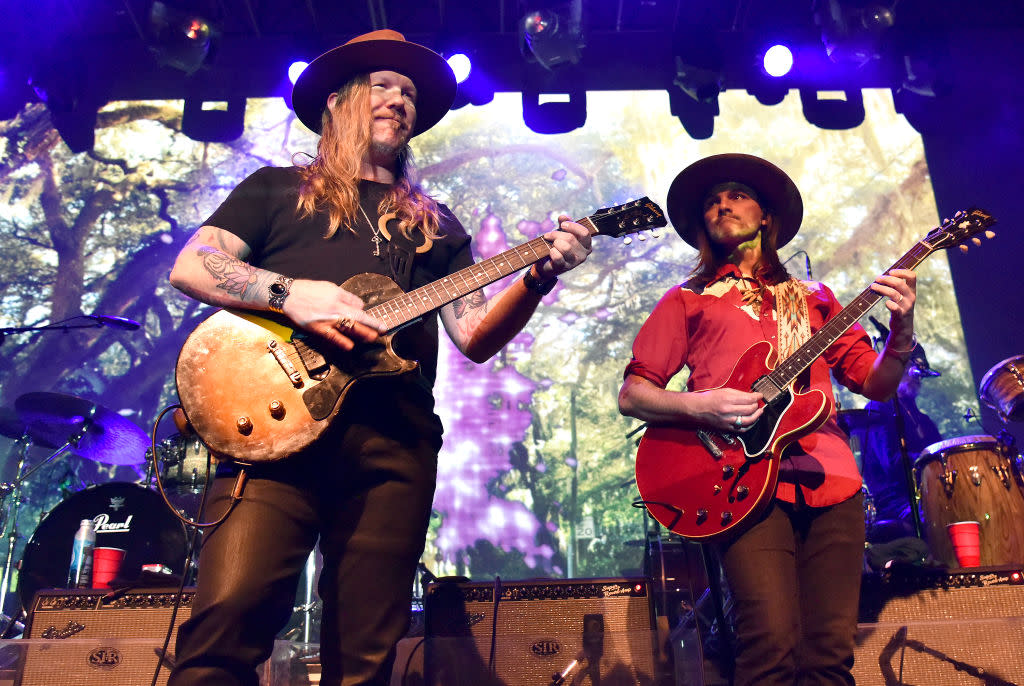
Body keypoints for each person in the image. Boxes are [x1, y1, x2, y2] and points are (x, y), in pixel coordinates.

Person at [166, 29, 592, 686]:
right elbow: (194, 265)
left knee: (366, 653)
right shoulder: (277, 189)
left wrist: (538, 276)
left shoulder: (436, 223)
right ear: (336, 102)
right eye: (382, 86)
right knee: (228, 614)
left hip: (395, 445)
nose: (400, 100)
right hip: (270, 432)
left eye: (410, 94)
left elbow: (474, 336)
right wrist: (288, 293)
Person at [618, 153, 918, 685]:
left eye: (735, 195)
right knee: (770, 646)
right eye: (711, 201)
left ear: (766, 216)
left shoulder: (816, 298)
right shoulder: (687, 299)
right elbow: (634, 395)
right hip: (738, 482)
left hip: (833, 484)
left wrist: (901, 328)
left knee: (830, 656)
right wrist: (701, 404)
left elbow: (876, 383)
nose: (721, 205)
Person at [857, 318, 942, 542]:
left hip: (927, 496)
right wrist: (927, 460)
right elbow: (890, 463)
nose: (917, 381)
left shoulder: (923, 420)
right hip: (896, 505)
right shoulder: (878, 409)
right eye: (910, 372)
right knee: (938, 520)